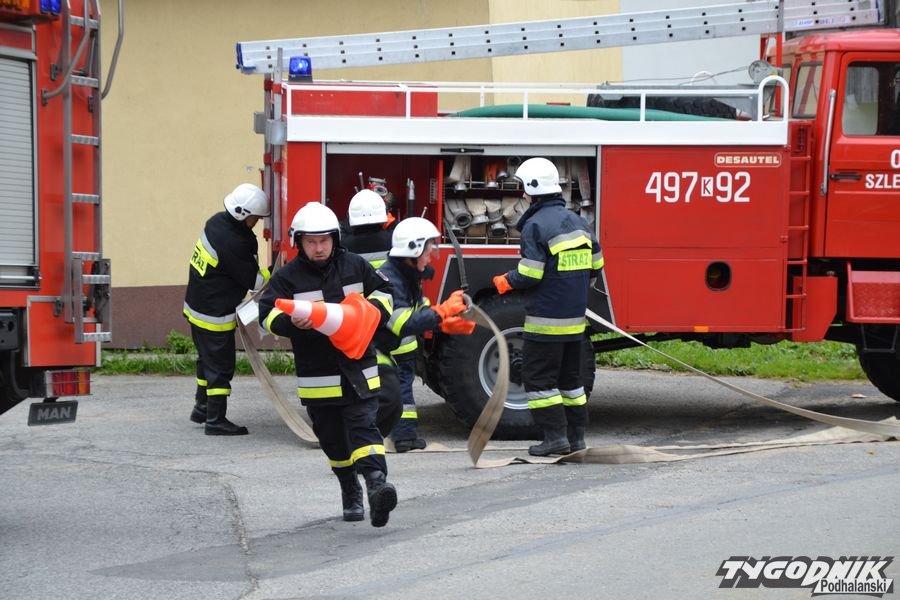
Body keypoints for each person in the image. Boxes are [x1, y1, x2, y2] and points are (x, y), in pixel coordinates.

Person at [257, 202, 399, 527]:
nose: (318, 248)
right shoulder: (288, 277)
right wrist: (291, 323)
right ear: (299, 242)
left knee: (364, 426)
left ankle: (377, 486)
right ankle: (350, 488)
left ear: (335, 238)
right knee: (333, 440)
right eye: (311, 241)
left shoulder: (355, 266)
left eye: (324, 240)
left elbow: (386, 292)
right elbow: (266, 315)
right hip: (318, 374)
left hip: (358, 367)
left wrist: (371, 312)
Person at [492, 158, 603, 456]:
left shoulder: (536, 225)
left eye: (524, 189)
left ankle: (554, 438)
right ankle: (576, 438)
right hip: (574, 322)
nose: (522, 195)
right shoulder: (579, 222)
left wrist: (506, 281)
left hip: (546, 321)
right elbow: (596, 265)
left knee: (539, 380)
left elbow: (531, 274)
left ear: (533, 189)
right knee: (571, 384)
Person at [375, 217, 473, 453]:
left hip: (388, 347)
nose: (431, 257)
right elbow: (402, 323)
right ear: (414, 250)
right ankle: (387, 440)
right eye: (428, 251)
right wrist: (443, 312)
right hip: (374, 350)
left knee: (397, 391)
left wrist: (444, 324)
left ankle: (401, 437)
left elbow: (419, 311)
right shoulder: (390, 280)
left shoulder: (407, 276)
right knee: (391, 393)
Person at [184, 183, 271, 436]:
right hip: (214, 314)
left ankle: (201, 408)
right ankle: (215, 420)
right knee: (220, 367)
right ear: (243, 214)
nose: (257, 222)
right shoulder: (234, 242)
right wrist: (275, 273)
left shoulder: (216, 223)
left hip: (197, 306)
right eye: (256, 218)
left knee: (206, 361)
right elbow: (254, 281)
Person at [340, 189, 402, 437]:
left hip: (356, 323)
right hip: (394, 322)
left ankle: (357, 419)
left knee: (358, 375)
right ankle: (401, 430)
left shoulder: (344, 247)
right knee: (398, 381)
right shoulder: (393, 241)